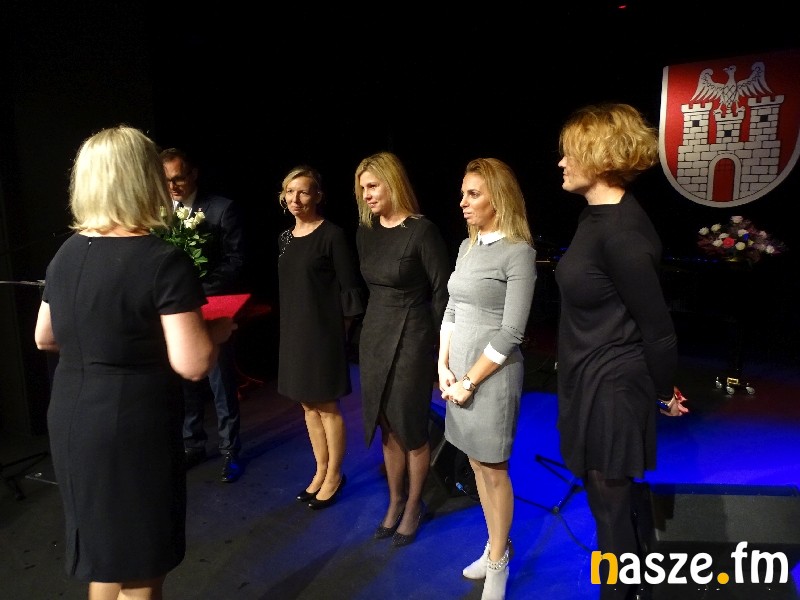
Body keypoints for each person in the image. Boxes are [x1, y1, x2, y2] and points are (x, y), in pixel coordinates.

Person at [33, 125, 236, 599]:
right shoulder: (161, 259)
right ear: (144, 178)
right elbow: (192, 363)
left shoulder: (66, 252)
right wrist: (218, 332)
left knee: (105, 555)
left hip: (72, 418)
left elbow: (44, 337)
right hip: (132, 424)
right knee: (142, 564)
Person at [554, 103, 689, 600]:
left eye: (570, 153)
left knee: (611, 511)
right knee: (610, 505)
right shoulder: (594, 217)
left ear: (599, 156)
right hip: (589, 376)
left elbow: (659, 330)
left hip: (614, 384)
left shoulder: (623, 232)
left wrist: (662, 393)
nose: (562, 163)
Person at [438, 158, 537, 600]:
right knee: (476, 464)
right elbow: (453, 308)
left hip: (491, 379)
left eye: (473, 194)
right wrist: (443, 366)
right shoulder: (467, 246)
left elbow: (512, 332)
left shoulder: (519, 253)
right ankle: (495, 544)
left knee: (493, 469)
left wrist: (469, 382)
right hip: (458, 375)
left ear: (499, 197)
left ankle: (498, 563)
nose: (463, 202)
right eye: (463, 194)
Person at [354, 151, 451, 546]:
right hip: (375, 334)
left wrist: (442, 351)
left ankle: (414, 505)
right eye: (362, 188)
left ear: (393, 183)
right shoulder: (366, 231)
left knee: (410, 425)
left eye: (372, 186)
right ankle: (395, 500)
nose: (366, 194)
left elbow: (443, 293)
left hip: (413, 335)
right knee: (386, 423)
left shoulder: (422, 231)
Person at [276, 165, 365, 509]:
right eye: (290, 191)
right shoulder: (284, 239)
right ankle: (321, 470)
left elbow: (350, 290)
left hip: (324, 335)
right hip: (294, 333)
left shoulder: (332, 235)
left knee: (327, 406)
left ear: (317, 196)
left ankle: (334, 475)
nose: (295, 198)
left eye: (303, 191)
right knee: (307, 405)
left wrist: (338, 335)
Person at [160, 147, 247, 483]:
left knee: (221, 382)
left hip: (213, 306)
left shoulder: (221, 209)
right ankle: (193, 444)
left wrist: (197, 287)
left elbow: (236, 261)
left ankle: (230, 451)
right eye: (166, 180)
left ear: (193, 173)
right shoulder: (159, 214)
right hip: (177, 311)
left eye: (178, 178)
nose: (173, 186)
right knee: (185, 381)